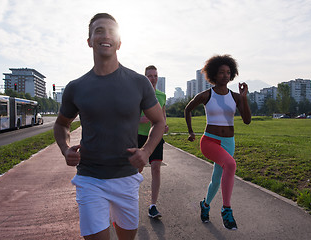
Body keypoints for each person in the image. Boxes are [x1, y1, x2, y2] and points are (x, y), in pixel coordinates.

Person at [53, 13, 165, 240]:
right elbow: (61, 124)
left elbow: (159, 121)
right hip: (90, 178)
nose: (105, 36)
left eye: (111, 31)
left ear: (119, 42)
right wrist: (65, 149)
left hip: (126, 177)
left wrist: (146, 151)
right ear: (89, 41)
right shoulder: (76, 87)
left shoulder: (138, 82)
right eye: (99, 30)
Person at [184, 54, 251, 230]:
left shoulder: (236, 97)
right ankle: (226, 209)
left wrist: (244, 98)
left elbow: (247, 120)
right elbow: (187, 109)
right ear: (214, 75)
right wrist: (191, 131)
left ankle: (205, 205)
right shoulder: (206, 95)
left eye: (228, 72)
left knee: (216, 179)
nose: (225, 75)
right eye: (221, 72)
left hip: (229, 141)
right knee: (230, 164)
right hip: (210, 141)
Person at [138, 65, 169, 219]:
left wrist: (165, 125)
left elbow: (163, 116)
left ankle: (153, 206)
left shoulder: (161, 96)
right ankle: (130, 199)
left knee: (156, 168)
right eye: (149, 76)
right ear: (145, 78)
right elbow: (129, 116)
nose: (153, 79)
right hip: (139, 136)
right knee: (137, 170)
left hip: (156, 136)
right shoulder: (138, 94)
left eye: (155, 76)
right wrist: (141, 119)